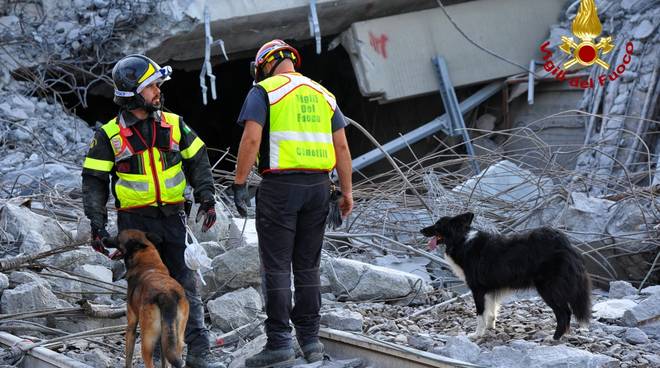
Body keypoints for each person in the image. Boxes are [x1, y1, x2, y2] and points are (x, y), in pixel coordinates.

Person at [81, 54, 223, 368]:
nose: (158, 90)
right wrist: (97, 224)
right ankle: (157, 355)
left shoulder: (174, 124)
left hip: (173, 217)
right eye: (151, 86)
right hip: (136, 226)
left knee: (185, 286)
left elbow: (198, 161)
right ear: (133, 92)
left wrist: (207, 198)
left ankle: (200, 353)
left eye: (158, 85)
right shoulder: (109, 136)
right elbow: (94, 182)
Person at [233, 40, 354, 367]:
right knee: (307, 266)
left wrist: (240, 182)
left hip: (280, 190)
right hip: (319, 190)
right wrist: (347, 192)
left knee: (276, 266)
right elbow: (341, 148)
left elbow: (252, 138)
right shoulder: (323, 94)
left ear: (263, 67)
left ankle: (279, 344)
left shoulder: (264, 92)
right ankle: (311, 342)